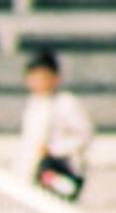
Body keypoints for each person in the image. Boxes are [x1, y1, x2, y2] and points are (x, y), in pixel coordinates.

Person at [16, 48, 94, 202]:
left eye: (44, 76)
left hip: (59, 171)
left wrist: (54, 150)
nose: (39, 81)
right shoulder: (33, 106)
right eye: (35, 77)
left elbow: (84, 135)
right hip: (35, 175)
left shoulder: (65, 103)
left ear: (55, 78)